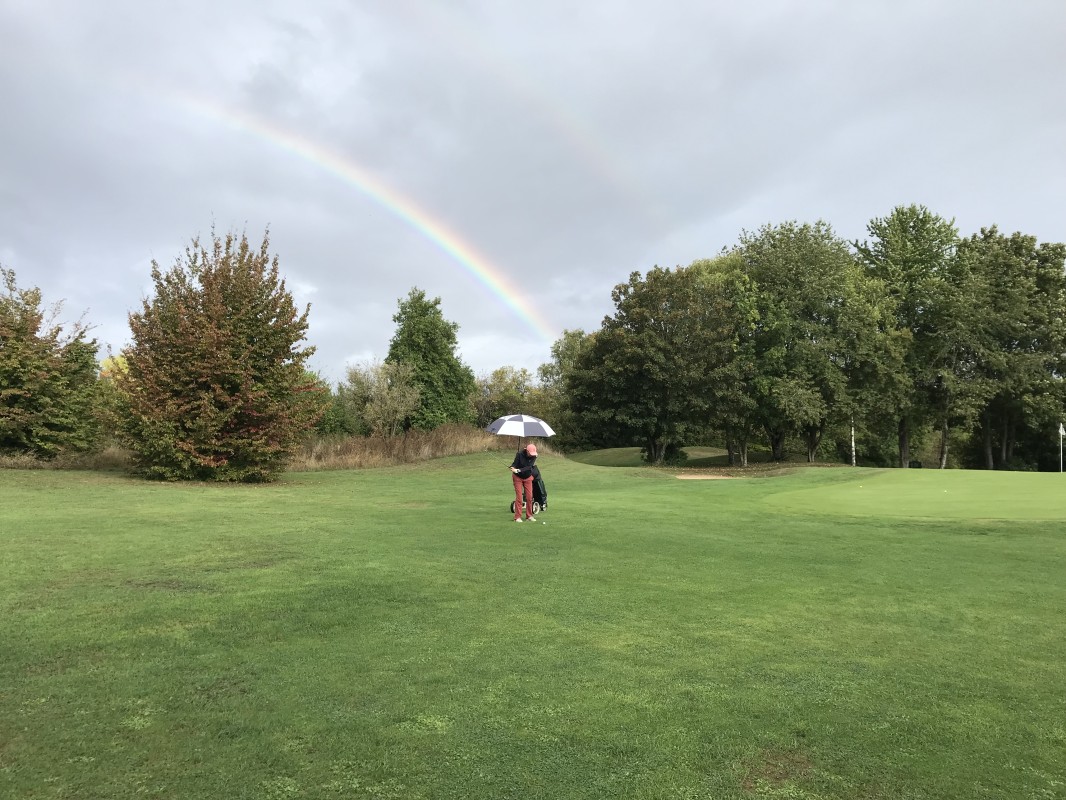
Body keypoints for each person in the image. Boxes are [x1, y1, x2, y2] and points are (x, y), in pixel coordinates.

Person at [509, 443, 538, 522]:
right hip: (517, 478)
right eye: (530, 453)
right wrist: (512, 467)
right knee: (519, 498)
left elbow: (529, 467)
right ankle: (517, 517)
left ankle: (529, 516)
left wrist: (518, 470)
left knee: (529, 497)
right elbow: (514, 464)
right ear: (527, 451)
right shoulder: (519, 454)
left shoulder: (534, 456)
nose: (532, 455)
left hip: (528, 477)